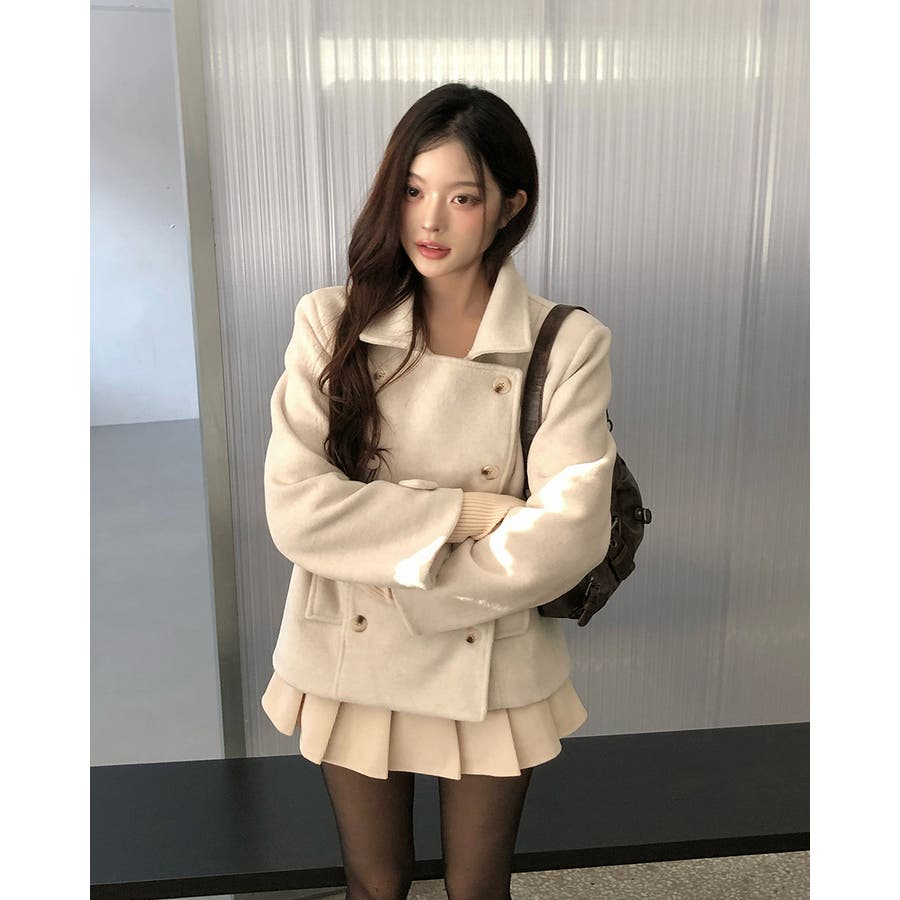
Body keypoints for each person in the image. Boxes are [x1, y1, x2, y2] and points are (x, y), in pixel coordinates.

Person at [261, 82, 617, 900]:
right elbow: (297, 510)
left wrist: (389, 553)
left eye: (462, 197)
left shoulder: (566, 343)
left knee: (479, 890)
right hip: (351, 654)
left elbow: (568, 533)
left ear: (509, 207)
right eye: (413, 191)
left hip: (490, 657)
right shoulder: (331, 322)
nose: (429, 221)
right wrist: (465, 512)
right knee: (374, 884)